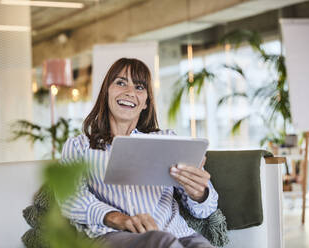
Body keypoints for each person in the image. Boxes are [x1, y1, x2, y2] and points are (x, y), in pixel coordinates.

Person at [61, 58, 218, 248]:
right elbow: (70, 200)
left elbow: (205, 209)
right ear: (106, 92)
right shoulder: (79, 146)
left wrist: (199, 193)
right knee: (161, 242)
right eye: (121, 83)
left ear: (145, 103)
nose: (129, 92)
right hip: (115, 236)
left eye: (139, 87)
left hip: (178, 234)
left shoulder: (167, 140)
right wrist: (119, 219)